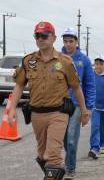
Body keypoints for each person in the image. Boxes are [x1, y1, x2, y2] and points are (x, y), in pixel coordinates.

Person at [8, 21, 90, 180]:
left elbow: (77, 88)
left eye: (44, 35)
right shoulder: (28, 61)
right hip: (37, 115)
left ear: (53, 38)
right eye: (37, 35)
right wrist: (11, 110)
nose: (40, 39)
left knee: (53, 155)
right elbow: (18, 86)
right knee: (43, 154)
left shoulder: (65, 62)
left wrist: (84, 111)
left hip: (58, 114)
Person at [61, 28, 96, 179]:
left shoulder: (84, 60)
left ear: (76, 42)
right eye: (66, 41)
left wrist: (88, 109)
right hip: (59, 104)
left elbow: (90, 84)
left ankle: (70, 168)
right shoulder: (57, 57)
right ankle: (69, 160)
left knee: (71, 138)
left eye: (71, 41)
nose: (68, 44)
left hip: (76, 105)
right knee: (63, 138)